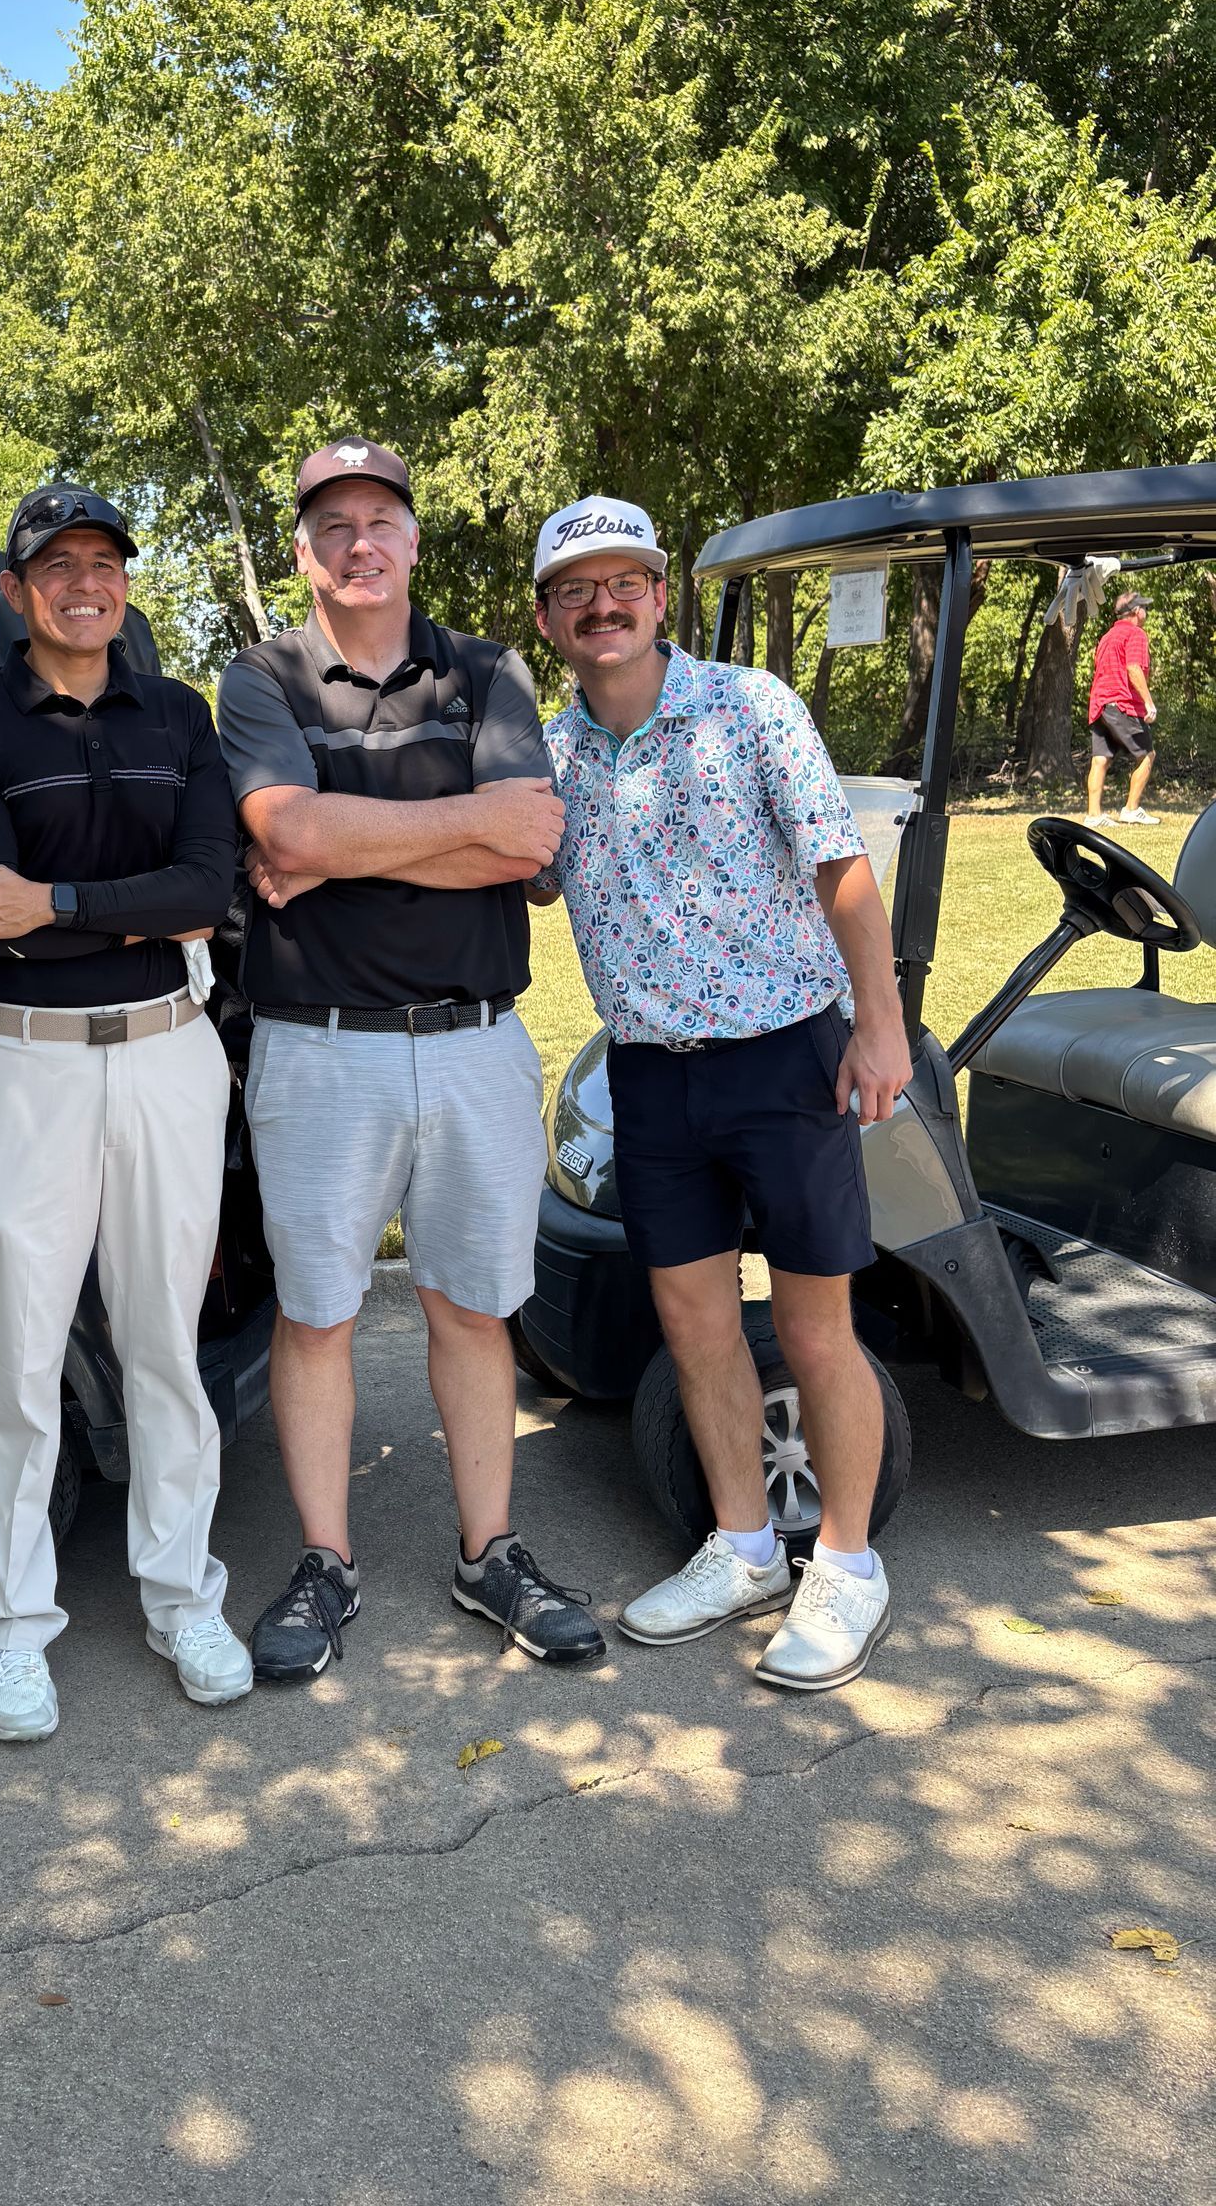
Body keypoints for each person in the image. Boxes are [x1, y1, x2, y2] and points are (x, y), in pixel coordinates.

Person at [216, 435, 605, 1682]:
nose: (360, 543)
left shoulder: (485, 671)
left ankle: (489, 1551)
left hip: (476, 1040)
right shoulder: (261, 678)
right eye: (333, 526)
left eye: (380, 519)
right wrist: (456, 823)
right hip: (318, 1051)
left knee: (471, 1309)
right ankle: (326, 1563)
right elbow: (282, 828)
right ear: (304, 551)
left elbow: (530, 848)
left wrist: (340, 844)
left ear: (414, 539)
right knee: (317, 1311)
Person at [534, 496, 910, 1692]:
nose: (605, 605)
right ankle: (746, 1545)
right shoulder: (551, 752)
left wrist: (880, 1024)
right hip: (648, 1074)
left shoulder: (750, 707)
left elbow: (840, 871)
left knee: (812, 1326)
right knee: (695, 1326)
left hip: (784, 1055)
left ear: (659, 594)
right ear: (550, 618)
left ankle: (846, 1565)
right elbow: (519, 879)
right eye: (576, 590)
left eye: (624, 582)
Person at [0, 483, 251, 1744]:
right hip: (21, 1070)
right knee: (19, 1366)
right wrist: (132, 901)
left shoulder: (179, 713)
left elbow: (208, 886)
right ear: (15, 593)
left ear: (124, 580)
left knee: (167, 1347)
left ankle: (182, 1598)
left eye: (102, 559)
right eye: (54, 564)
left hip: (167, 1057)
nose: (82, 581)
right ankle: (13, 1633)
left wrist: (53, 905)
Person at [1086, 593, 1159, 827]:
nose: (1145, 613)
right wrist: (1149, 702)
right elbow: (1133, 668)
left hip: (1100, 703)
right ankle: (1131, 809)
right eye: (1144, 609)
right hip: (1121, 703)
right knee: (1147, 755)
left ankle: (1094, 816)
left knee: (1100, 759)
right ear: (1137, 612)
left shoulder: (1107, 636)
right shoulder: (1135, 633)